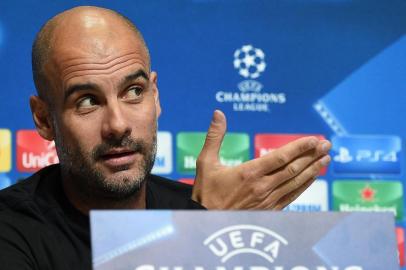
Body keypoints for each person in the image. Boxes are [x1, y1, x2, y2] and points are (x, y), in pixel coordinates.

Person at [0, 6, 331, 270]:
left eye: (133, 91)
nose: (117, 125)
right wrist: (206, 230)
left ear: (155, 96)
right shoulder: (11, 229)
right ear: (44, 119)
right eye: (87, 100)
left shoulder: (198, 209)